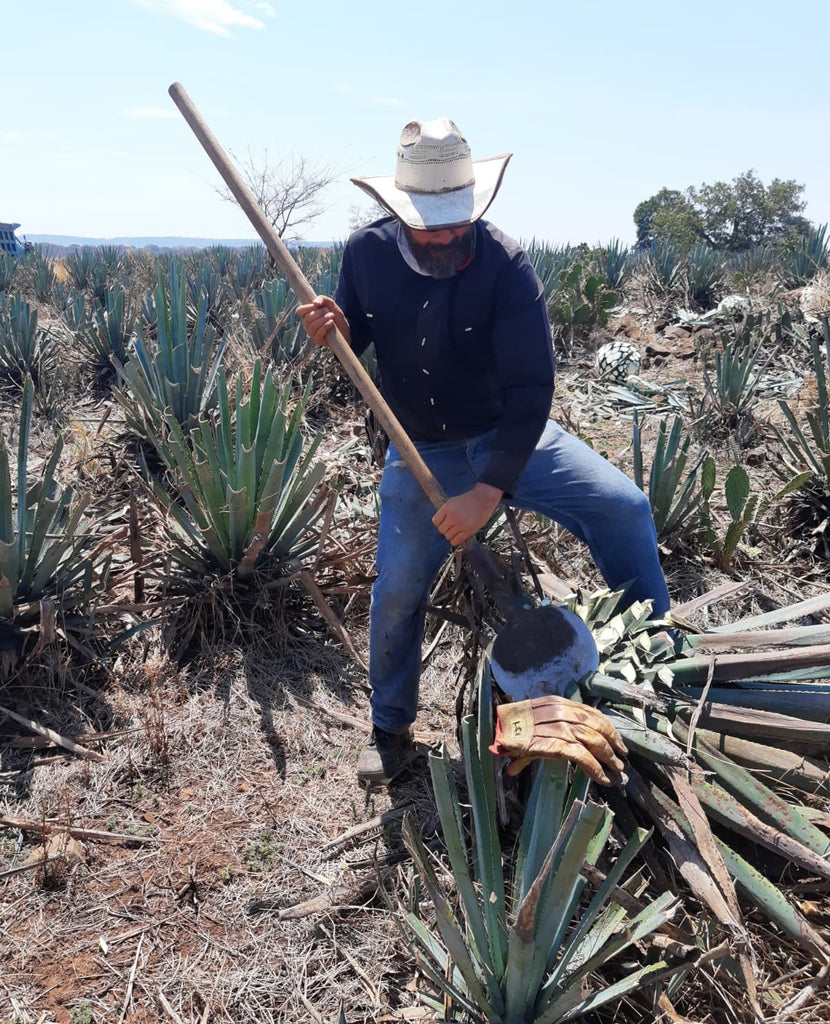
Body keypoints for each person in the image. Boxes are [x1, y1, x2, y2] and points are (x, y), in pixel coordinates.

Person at [297, 117, 670, 785]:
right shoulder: (366, 254)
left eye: (454, 219)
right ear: (399, 211)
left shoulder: (504, 263)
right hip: (420, 449)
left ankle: (663, 665)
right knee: (398, 589)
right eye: (429, 221)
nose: (444, 233)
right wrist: (335, 329)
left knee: (624, 506)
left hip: (507, 435)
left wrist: (487, 491)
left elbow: (532, 389)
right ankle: (390, 728)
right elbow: (355, 335)